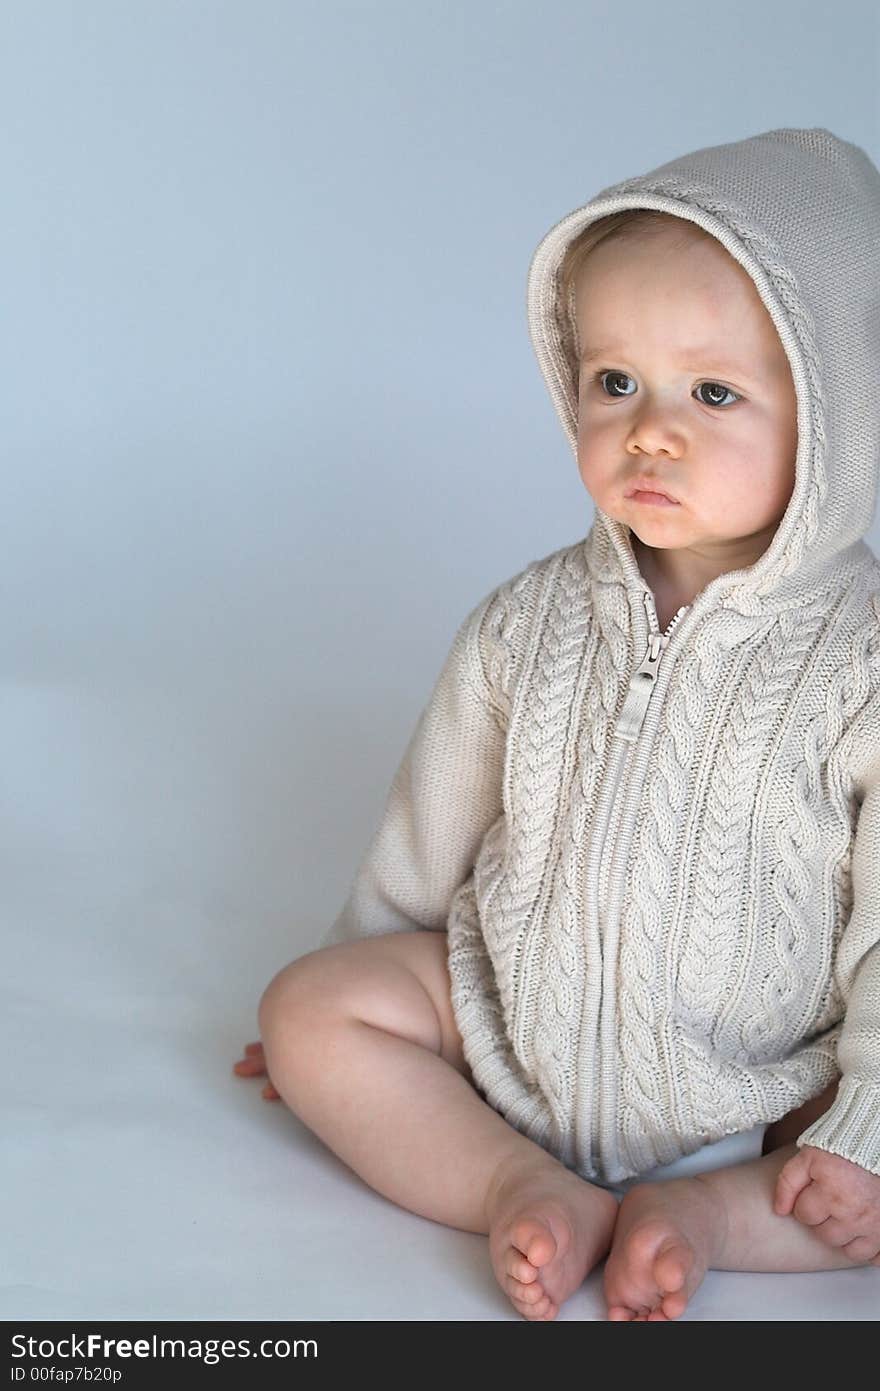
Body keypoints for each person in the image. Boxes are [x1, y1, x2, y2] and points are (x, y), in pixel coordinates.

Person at [234, 126, 880, 1320]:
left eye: (715, 391)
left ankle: (704, 1213)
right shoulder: (524, 622)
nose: (649, 429)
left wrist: (860, 1123)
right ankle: (515, 1179)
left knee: (871, 1175)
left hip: (763, 1079)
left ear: (838, 409)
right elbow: (428, 831)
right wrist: (354, 962)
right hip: (507, 1030)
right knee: (305, 1006)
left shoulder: (862, 668)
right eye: (613, 381)